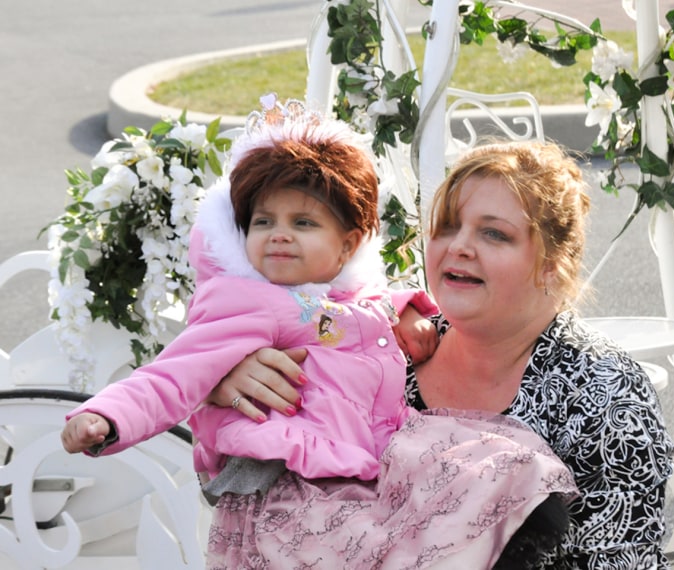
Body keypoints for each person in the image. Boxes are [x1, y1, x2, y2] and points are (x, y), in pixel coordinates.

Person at [60, 100, 578, 569]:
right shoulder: (244, 304)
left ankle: (506, 537)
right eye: (263, 221)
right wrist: (105, 416)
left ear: (347, 245)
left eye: (304, 223)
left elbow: (353, 314)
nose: (279, 233)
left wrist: (405, 312)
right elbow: (172, 375)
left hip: (365, 455)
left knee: (489, 456)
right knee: (356, 542)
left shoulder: (343, 297)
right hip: (292, 481)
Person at [211, 140, 674, 569]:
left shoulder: (603, 395)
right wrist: (227, 383)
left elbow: (621, 561)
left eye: (494, 234)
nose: (458, 247)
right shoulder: (381, 347)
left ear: (552, 268)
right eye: (447, 227)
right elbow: (250, 497)